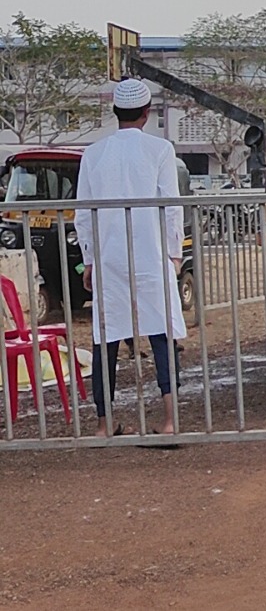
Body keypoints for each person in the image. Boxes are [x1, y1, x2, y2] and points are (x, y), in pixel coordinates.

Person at [78, 79, 187, 437]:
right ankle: (170, 420)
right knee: (161, 333)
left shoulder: (94, 154)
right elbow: (171, 205)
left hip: (110, 258)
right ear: (146, 113)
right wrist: (174, 254)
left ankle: (103, 424)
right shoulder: (160, 150)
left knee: (105, 338)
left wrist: (89, 259)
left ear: (115, 112)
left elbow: (84, 213)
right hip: (150, 254)